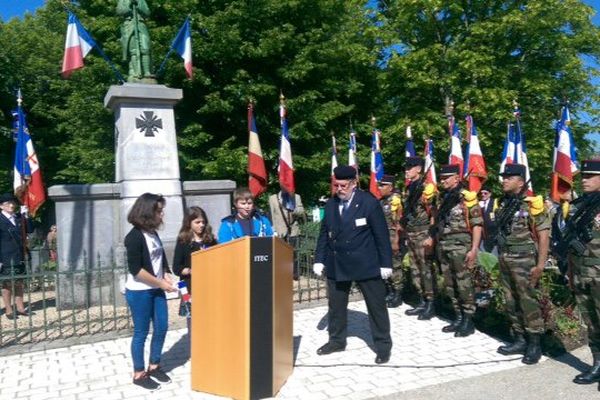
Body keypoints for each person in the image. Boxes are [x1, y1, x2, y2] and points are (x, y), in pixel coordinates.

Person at [312, 165, 393, 364]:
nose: (339, 189)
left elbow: (381, 236)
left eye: (343, 185)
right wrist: (319, 259)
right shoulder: (331, 204)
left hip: (366, 263)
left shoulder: (368, 202)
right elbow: (324, 233)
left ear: (354, 183)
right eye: (336, 185)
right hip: (338, 262)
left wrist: (386, 263)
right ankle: (337, 341)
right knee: (336, 306)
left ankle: (383, 346)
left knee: (376, 306)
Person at [494, 164, 550, 365]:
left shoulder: (532, 205)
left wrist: (540, 265)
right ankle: (519, 338)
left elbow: (544, 236)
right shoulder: (502, 204)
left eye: (509, 177)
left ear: (520, 181)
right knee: (510, 300)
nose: (504, 180)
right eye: (504, 177)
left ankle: (535, 343)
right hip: (505, 258)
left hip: (525, 260)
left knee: (528, 302)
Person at [124, 193, 177, 391]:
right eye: (159, 210)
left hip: (156, 289)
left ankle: (154, 366)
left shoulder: (153, 233)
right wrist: (161, 284)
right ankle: (139, 373)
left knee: (162, 326)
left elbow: (159, 258)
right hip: (140, 291)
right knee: (141, 332)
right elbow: (136, 270)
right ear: (148, 211)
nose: (162, 214)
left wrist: (165, 274)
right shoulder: (134, 237)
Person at [427, 165, 482, 337]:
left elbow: (477, 225)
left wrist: (474, 249)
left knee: (463, 284)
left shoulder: (467, 198)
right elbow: (436, 221)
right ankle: (458, 316)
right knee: (450, 284)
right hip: (444, 245)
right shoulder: (442, 199)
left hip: (460, 246)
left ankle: (468, 319)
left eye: (446, 178)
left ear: (457, 178)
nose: (442, 181)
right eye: (441, 178)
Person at [562, 159, 600, 388]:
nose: (584, 180)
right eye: (583, 177)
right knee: (591, 322)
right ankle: (597, 363)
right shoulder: (578, 206)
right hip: (581, 273)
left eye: (590, 176)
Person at [400, 156, 437, 319]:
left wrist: (431, 235)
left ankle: (431, 303)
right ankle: (422, 300)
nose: (406, 170)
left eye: (410, 167)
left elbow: (433, 213)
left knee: (426, 269)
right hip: (412, 232)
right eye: (406, 168)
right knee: (415, 269)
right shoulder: (409, 189)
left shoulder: (426, 188)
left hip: (423, 232)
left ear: (419, 169)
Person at [172, 206, 217, 338]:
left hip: (208, 283)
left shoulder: (210, 239)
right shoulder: (183, 241)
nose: (201, 225)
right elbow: (176, 267)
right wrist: (191, 270)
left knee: (209, 318)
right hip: (188, 286)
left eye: (203, 222)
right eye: (197, 222)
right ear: (189, 223)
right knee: (192, 318)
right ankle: (195, 348)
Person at [0, 193, 33, 320]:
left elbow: (29, 229)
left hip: (20, 255)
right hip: (6, 256)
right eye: (8, 203)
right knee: (7, 284)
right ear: (1, 206)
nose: (11, 205)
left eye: (13, 203)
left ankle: (20, 308)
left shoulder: (19, 217)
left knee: (19, 282)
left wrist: (26, 216)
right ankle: (9, 309)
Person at [377, 174, 404, 308]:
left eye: (382, 185)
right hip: (383, 238)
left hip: (393, 237)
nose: (379, 188)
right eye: (379, 185)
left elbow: (399, 222)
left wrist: (396, 241)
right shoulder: (382, 201)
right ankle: (390, 290)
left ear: (391, 187)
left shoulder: (396, 201)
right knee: (385, 265)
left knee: (395, 265)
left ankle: (397, 293)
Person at [117, 0, 154, 81]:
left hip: (140, 24)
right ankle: (136, 72)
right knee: (133, 50)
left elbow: (147, 12)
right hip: (129, 24)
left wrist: (138, 6)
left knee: (145, 48)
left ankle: (147, 72)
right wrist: (130, 6)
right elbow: (119, 11)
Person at [478, 184, 497, 253]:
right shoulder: (478, 204)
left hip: (493, 235)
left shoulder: (495, 202)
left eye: (485, 193)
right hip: (482, 235)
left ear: (490, 194)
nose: (483, 195)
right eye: (481, 193)